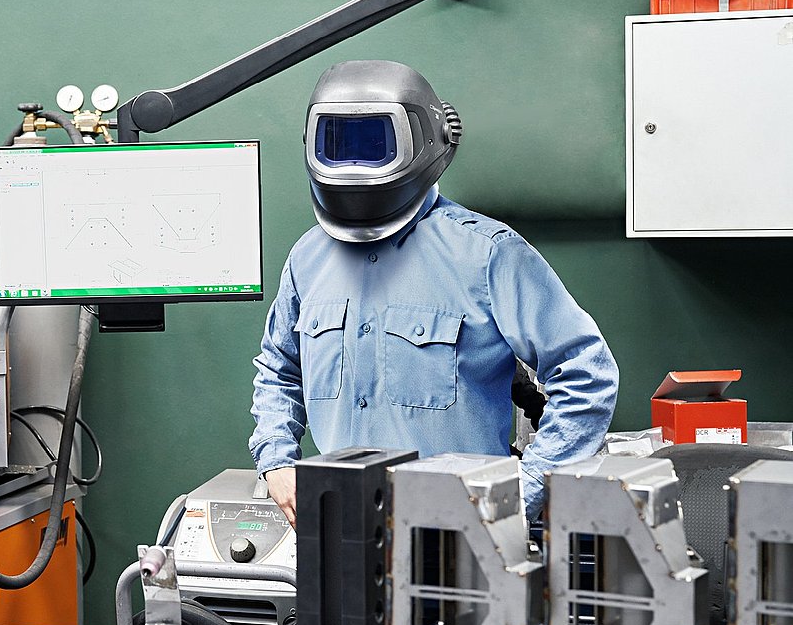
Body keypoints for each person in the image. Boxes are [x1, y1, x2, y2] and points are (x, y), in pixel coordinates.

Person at [249, 61, 617, 526]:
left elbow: (588, 373)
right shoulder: (307, 259)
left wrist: (523, 492)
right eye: (341, 144)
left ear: (424, 140)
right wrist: (277, 462)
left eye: (374, 144)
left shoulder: (487, 255)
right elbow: (279, 370)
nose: (356, 164)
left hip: (461, 538)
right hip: (338, 531)